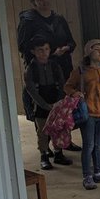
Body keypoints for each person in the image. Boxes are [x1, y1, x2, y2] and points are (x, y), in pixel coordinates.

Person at [17, 0, 80, 152]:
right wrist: (50, 53)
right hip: (40, 71)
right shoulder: (28, 21)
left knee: (62, 106)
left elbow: (72, 42)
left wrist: (67, 48)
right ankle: (45, 149)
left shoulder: (59, 19)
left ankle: (64, 141)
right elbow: (22, 46)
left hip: (62, 67)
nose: (44, 1)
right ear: (33, 2)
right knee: (42, 111)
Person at [64, 40, 100, 190]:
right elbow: (67, 86)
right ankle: (87, 176)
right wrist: (75, 93)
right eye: (97, 49)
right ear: (89, 52)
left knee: (98, 145)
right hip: (87, 114)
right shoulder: (81, 71)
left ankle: (99, 172)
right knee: (88, 146)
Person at [23, 34, 71, 170]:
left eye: (46, 49)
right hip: (40, 104)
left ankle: (58, 154)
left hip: (56, 101)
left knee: (58, 129)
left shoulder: (55, 66)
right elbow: (31, 90)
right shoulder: (30, 69)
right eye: (40, 50)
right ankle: (44, 155)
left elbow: (62, 84)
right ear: (33, 51)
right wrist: (44, 105)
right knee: (43, 131)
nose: (44, 53)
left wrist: (59, 102)